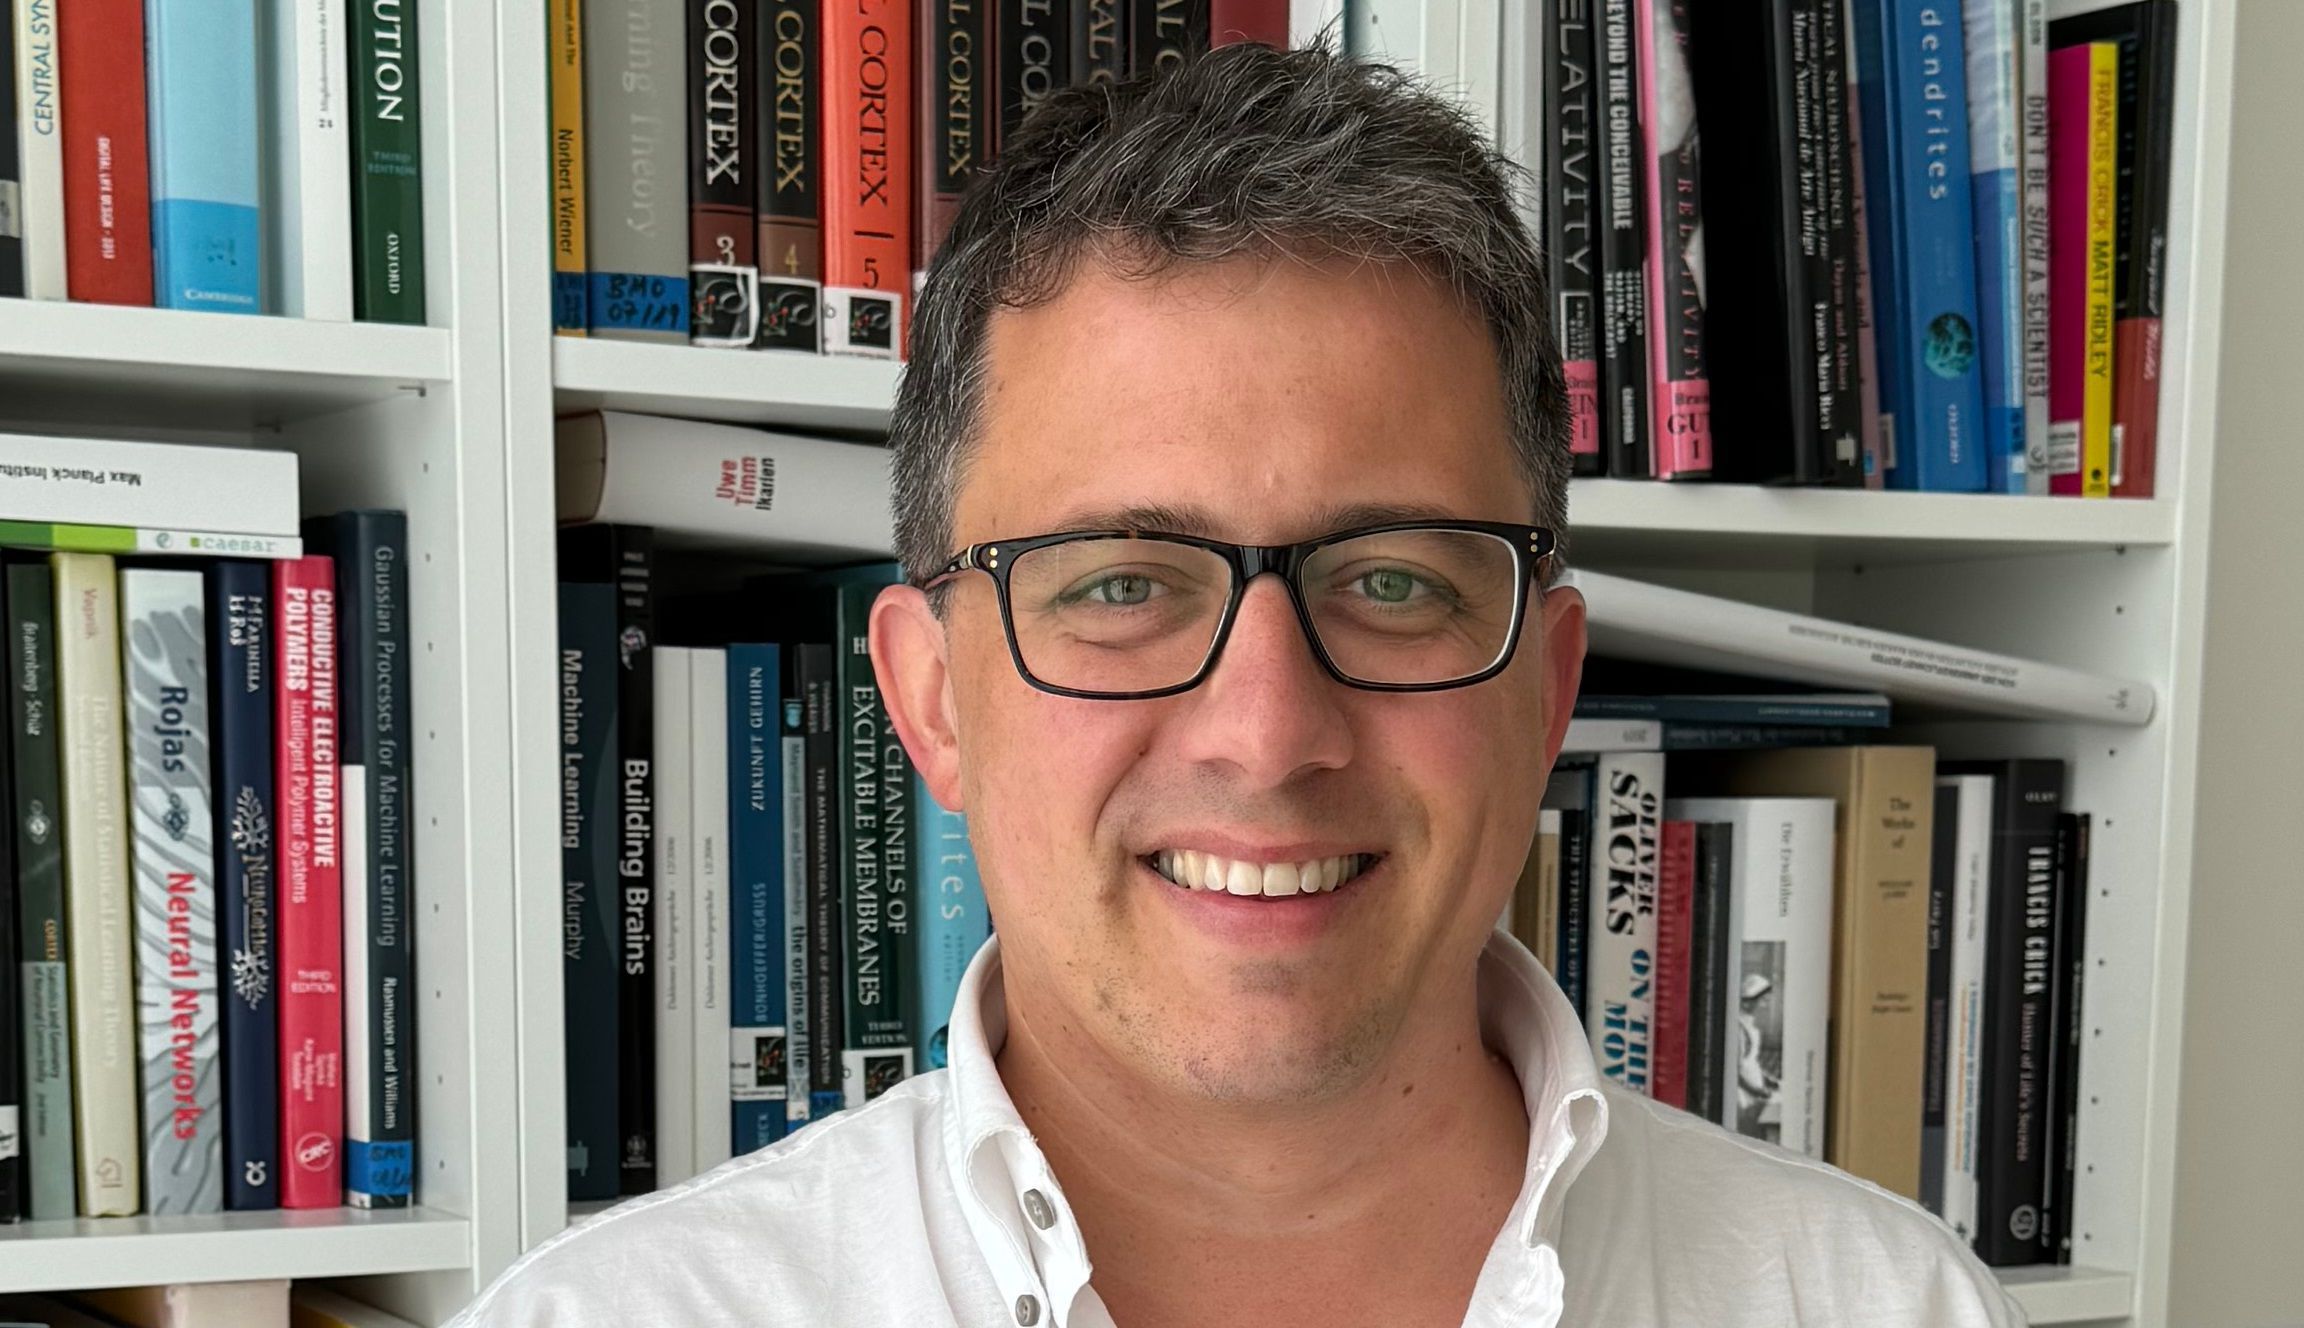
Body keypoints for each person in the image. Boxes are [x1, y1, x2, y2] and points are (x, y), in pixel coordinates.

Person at [453, 42, 2022, 1328]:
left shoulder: (1886, 1308)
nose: (1268, 734)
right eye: (1120, 586)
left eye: (1392, 582)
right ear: (931, 700)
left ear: (1545, 693)